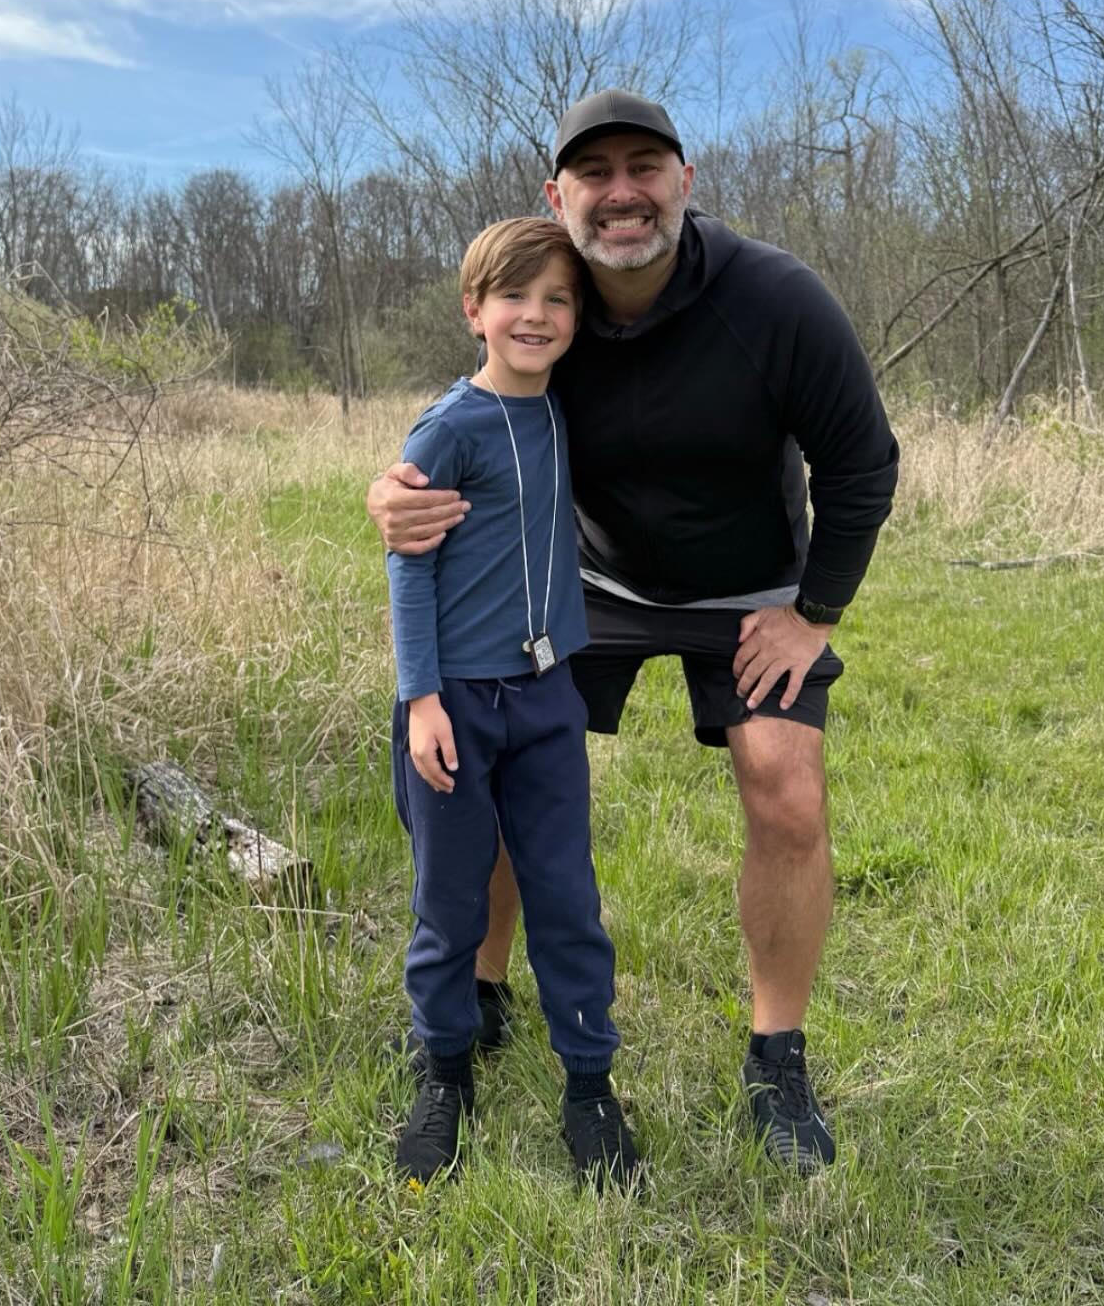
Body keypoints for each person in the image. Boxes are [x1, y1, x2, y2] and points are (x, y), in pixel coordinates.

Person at [371, 90, 900, 1175]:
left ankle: (776, 1056)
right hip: (588, 587)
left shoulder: (776, 300)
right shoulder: (550, 300)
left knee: (785, 782)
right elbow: (477, 415)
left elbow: (862, 463)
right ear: (556, 195)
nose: (622, 193)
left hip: (746, 591)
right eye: (594, 173)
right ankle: (480, 991)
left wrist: (813, 616)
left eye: (644, 167)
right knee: (497, 755)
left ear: (686, 181)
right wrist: (393, 490)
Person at [386, 214, 641, 1189]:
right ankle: (444, 1072)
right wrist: (421, 702)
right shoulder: (450, 427)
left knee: (565, 894)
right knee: (451, 902)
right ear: (474, 312)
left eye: (557, 300)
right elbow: (409, 566)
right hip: (453, 703)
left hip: (547, 701)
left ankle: (589, 1081)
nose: (535, 315)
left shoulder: (567, 408)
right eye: (515, 298)